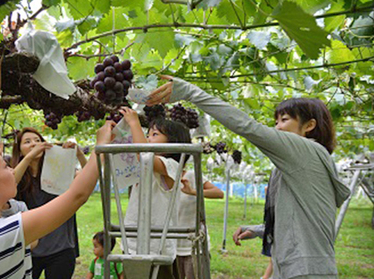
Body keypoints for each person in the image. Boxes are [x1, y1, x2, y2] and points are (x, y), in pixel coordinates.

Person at [148, 76, 351, 279]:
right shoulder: (297, 164)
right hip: (296, 268)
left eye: (285, 120)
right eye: (276, 121)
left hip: (306, 272)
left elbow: (248, 127)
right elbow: (302, 220)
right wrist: (260, 230)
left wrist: (191, 93)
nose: (277, 127)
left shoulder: (306, 151)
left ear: (309, 126)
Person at [0, 121, 115, 278]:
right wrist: (101, 146)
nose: (12, 170)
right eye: (5, 166)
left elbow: (33, 243)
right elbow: (78, 195)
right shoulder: (3, 235)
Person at [119, 107, 191, 279]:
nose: (148, 138)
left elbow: (144, 155)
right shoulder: (145, 168)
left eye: (155, 134)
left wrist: (134, 122)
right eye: (148, 134)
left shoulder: (172, 166)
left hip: (156, 249)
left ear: (173, 143)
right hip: (133, 243)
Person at [11, 127, 88, 279]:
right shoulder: (18, 176)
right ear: (19, 151)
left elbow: (88, 176)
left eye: (37, 140)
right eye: (27, 142)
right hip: (29, 248)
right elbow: (10, 183)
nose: (34, 144)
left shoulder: (57, 170)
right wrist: (28, 158)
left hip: (61, 247)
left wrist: (78, 154)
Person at [174, 171, 223, 279]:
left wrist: (192, 191)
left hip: (193, 245)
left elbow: (219, 193)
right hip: (172, 245)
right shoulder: (161, 177)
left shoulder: (191, 175)